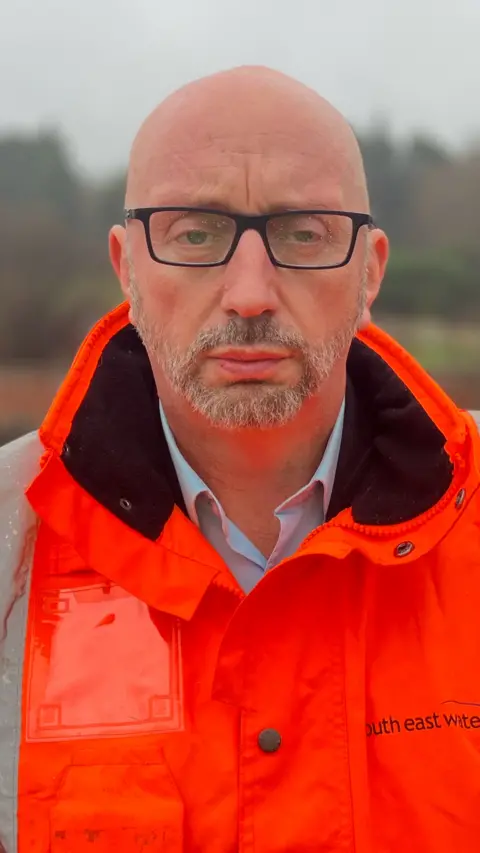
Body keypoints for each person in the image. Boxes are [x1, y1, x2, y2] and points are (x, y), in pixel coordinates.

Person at [0, 65, 479, 853]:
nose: (250, 293)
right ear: (126, 267)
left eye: (303, 234)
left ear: (371, 272)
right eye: (195, 233)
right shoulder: (13, 545)